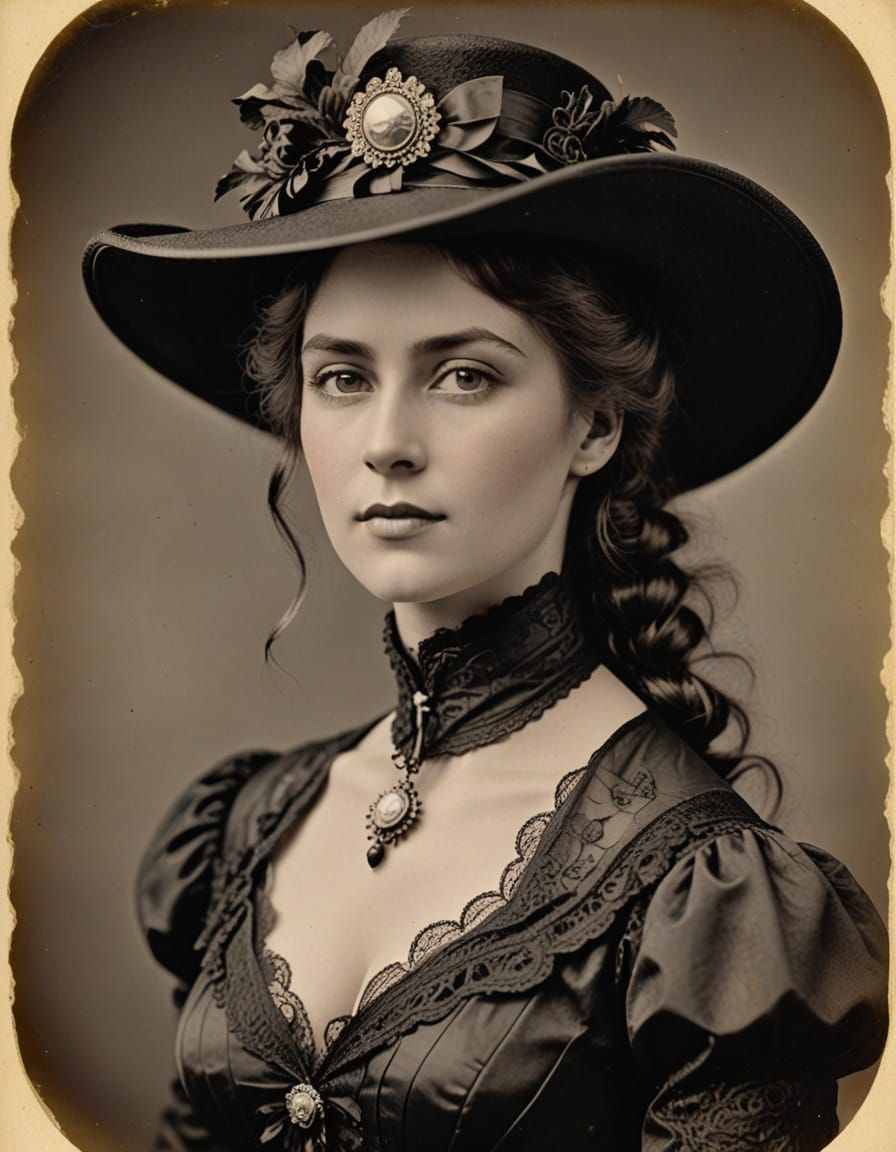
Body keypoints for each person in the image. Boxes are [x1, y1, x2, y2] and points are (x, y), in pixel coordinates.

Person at [82, 12, 888, 1151]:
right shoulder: (251, 823)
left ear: (594, 426)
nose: (386, 443)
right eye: (341, 377)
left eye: (462, 374)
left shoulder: (702, 896)